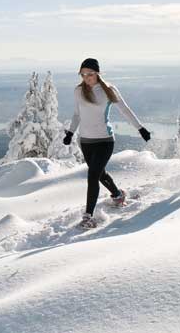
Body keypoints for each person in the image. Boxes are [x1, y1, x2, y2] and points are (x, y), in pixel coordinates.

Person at [64, 58, 151, 229]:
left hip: (104, 140)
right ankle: (118, 195)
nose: (86, 77)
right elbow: (77, 114)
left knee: (93, 176)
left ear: (97, 73)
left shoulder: (108, 90)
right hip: (86, 141)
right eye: (83, 74)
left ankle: (88, 216)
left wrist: (140, 128)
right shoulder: (78, 91)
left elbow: (125, 110)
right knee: (100, 174)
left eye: (89, 74)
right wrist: (70, 132)